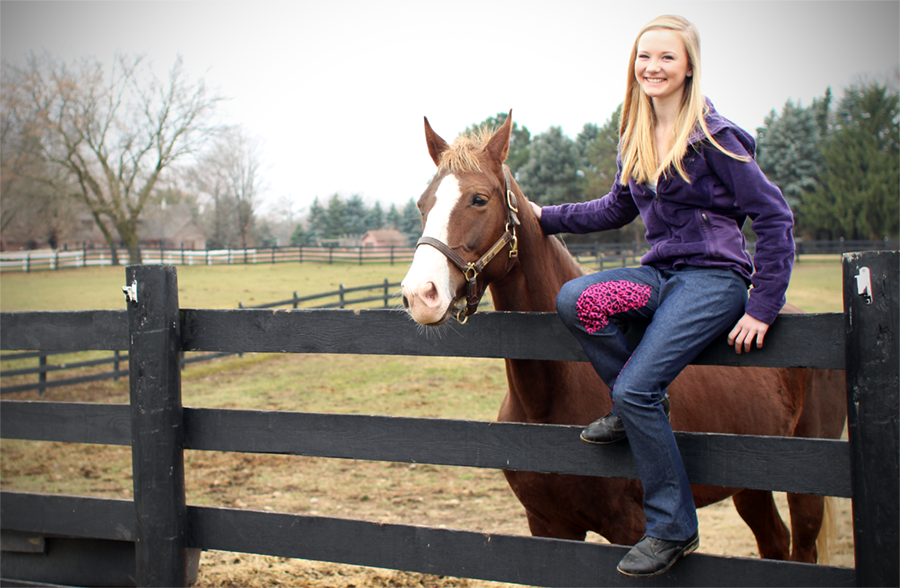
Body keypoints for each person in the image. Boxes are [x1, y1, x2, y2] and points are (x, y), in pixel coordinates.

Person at [530, 14, 795, 578]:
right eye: (644, 57)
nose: (652, 67)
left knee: (635, 386)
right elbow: (614, 209)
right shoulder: (636, 136)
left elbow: (775, 219)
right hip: (663, 276)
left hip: (712, 282)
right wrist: (541, 217)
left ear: (689, 66)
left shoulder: (716, 138)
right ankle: (637, 409)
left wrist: (762, 304)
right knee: (578, 298)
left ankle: (673, 528)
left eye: (666, 57)